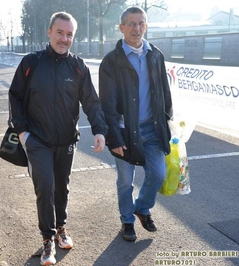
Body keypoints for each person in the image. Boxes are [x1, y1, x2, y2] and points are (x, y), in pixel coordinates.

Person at [8, 11, 107, 265]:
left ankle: (61, 228)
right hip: (37, 140)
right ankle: (47, 240)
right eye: (60, 32)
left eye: (69, 34)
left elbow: (91, 102)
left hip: (66, 140)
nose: (64, 38)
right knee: (45, 186)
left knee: (61, 187)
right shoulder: (31, 63)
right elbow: (15, 97)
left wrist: (99, 130)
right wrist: (22, 133)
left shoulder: (78, 66)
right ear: (49, 32)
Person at [98, 6, 173, 242]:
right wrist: (114, 138)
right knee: (125, 182)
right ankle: (127, 221)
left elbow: (164, 92)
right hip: (124, 130)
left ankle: (141, 207)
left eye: (141, 23)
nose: (136, 28)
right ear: (121, 28)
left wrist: (167, 121)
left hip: (152, 129)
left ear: (146, 26)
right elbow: (107, 105)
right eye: (131, 24)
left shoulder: (156, 55)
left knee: (158, 174)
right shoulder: (111, 61)